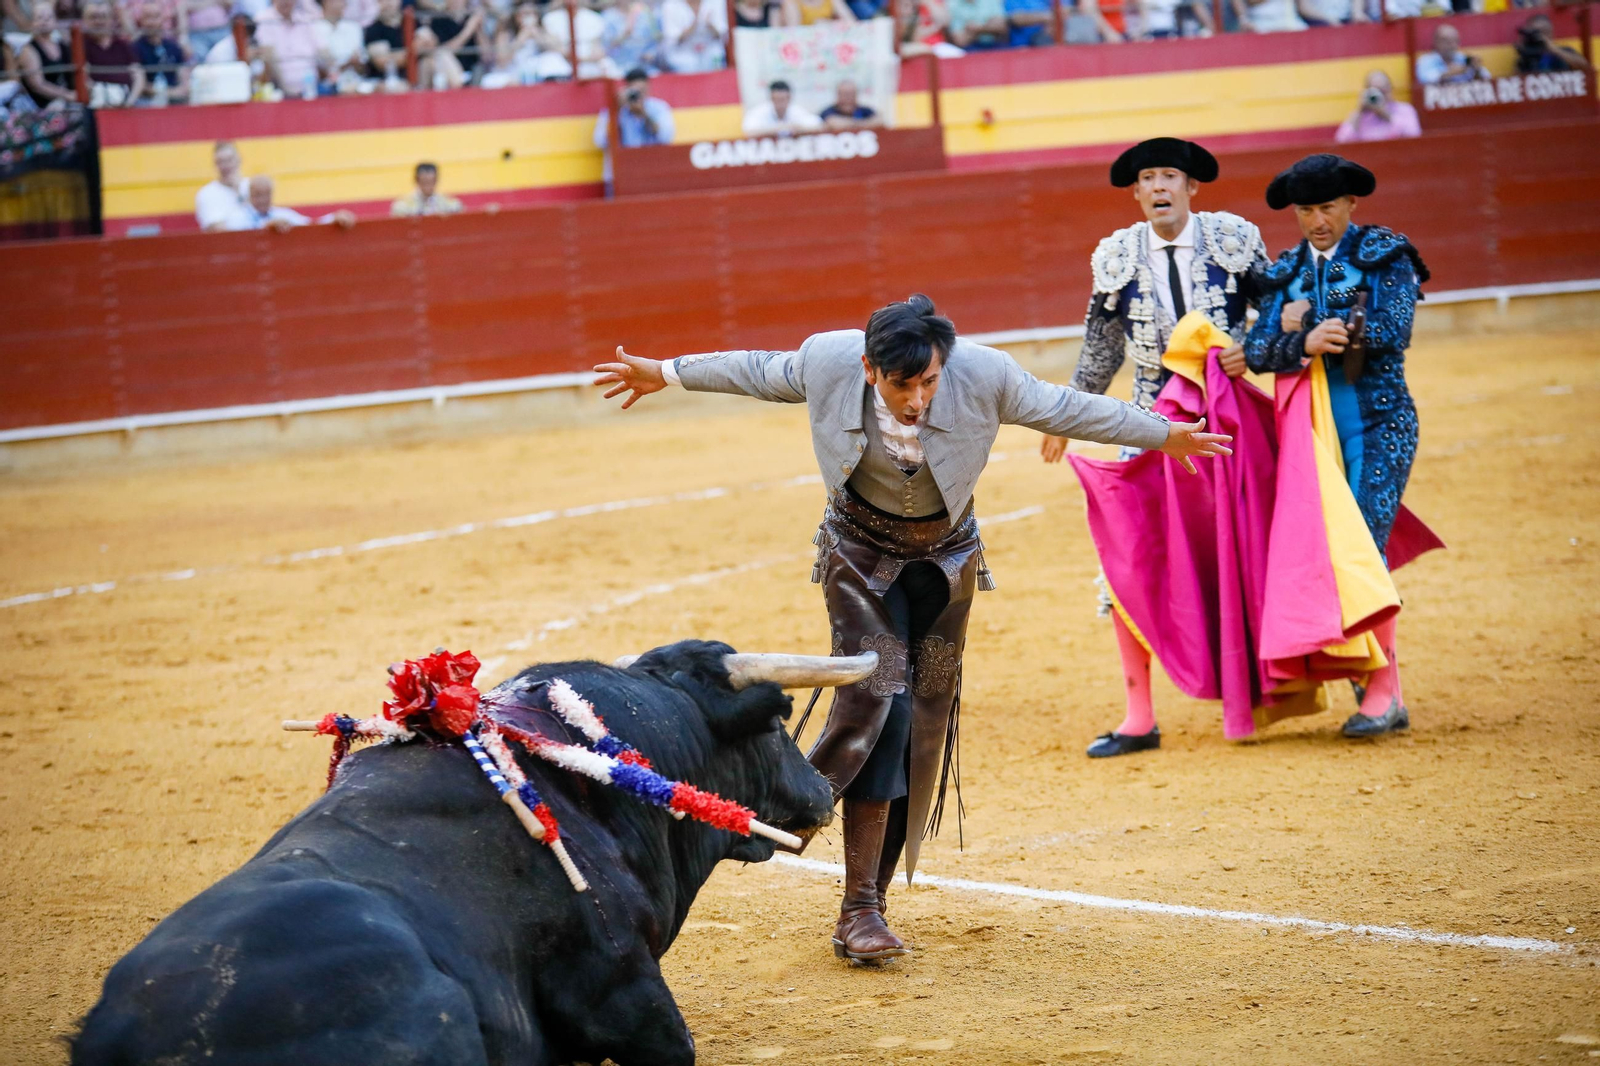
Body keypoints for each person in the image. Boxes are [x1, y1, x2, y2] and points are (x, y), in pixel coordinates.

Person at [592, 297, 1230, 962]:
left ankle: (856, 892)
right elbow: (754, 368)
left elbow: (1067, 408)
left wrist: (1164, 432)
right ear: (871, 370)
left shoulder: (985, 374)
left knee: (925, 719)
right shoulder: (827, 362)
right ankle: (833, 862)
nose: (920, 397)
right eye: (904, 385)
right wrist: (664, 371)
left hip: (949, 566)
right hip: (858, 557)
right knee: (878, 697)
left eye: (930, 381)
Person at [1041, 137, 1269, 758]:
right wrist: (1065, 414)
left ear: (1193, 188)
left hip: (1228, 419)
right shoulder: (1116, 256)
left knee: (1258, 545)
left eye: (1171, 175)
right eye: (1149, 178)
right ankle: (1139, 714)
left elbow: (1271, 312)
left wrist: (1256, 349)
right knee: (1128, 557)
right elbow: (1101, 347)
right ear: (1137, 193)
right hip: (1146, 422)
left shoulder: (1233, 240)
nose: (1160, 186)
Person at [1245, 154, 1430, 738]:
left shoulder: (1384, 255)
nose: (1317, 220)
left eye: (1327, 207)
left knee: (1361, 552)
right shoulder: (1287, 270)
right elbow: (1256, 350)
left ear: (1351, 205)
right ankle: (1369, 677)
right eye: (1306, 210)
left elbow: (1395, 327)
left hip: (1382, 425)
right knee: (1329, 554)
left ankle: (1383, 692)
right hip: (1312, 435)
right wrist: (1301, 339)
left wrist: (1313, 321)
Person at [593, 66, 674, 188]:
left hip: (652, 174)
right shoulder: (613, 110)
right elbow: (599, 141)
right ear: (626, 89)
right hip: (620, 175)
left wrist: (644, 115)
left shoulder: (659, 108)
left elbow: (666, 137)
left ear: (648, 87)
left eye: (641, 90)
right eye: (634, 91)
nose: (638, 95)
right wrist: (616, 110)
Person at [224, 174, 358, 229]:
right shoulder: (237, 218)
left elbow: (310, 226)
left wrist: (334, 218)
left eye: (266, 194)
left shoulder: (282, 215)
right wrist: (266, 228)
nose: (263, 200)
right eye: (258, 195)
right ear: (250, 195)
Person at [80, 0, 147, 106]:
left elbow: (139, 76)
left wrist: (129, 102)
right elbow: (83, 79)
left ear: (112, 19)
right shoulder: (80, 46)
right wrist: (105, 96)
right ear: (84, 20)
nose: (99, 21)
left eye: (103, 16)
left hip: (128, 102)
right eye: (93, 17)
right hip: (96, 102)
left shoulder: (123, 44)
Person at [17, 0, 77, 108]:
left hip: (68, 99)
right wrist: (67, 95)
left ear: (55, 21)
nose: (44, 21)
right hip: (42, 105)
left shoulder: (62, 45)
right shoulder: (28, 50)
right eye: (39, 18)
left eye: (49, 18)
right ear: (32, 23)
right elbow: (38, 85)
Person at [253, 0, 321, 95]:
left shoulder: (305, 18)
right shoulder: (265, 19)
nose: (285, 2)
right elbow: (269, 56)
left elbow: (321, 50)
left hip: (312, 85)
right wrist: (286, 89)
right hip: (281, 89)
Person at [1334, 70, 1419, 144]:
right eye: (1376, 91)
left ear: (1391, 89)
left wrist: (1385, 114)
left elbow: (1414, 136)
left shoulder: (1405, 109)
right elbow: (1342, 141)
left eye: (1383, 91)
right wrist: (1359, 111)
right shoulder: (1359, 115)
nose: (1380, 95)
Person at [132, 0, 189, 102]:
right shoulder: (134, 48)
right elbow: (141, 86)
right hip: (147, 101)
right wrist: (167, 93)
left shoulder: (173, 46)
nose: (152, 22)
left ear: (163, 18)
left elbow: (184, 80)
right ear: (140, 20)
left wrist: (177, 91)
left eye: (156, 16)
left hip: (174, 101)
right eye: (148, 17)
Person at [313, 0, 368, 90]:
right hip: (327, 88)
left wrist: (355, 63)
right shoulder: (313, 28)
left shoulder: (354, 27)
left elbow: (362, 67)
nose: (343, 4)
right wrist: (346, 64)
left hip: (357, 84)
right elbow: (322, 69)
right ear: (325, 2)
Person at [1513, 14, 1593, 75]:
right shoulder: (1528, 56)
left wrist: (1553, 49)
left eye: (1544, 31)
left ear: (1551, 33)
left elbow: (1585, 67)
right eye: (1536, 32)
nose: (1540, 35)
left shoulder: (1565, 51)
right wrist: (1523, 51)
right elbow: (1518, 81)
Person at [659, 0, 725, 74]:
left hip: (710, 52)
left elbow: (723, 34)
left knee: (715, 58)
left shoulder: (717, 2)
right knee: (689, 67)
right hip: (683, 55)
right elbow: (671, 39)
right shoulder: (670, 5)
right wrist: (691, 28)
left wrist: (710, 26)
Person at [196, 139, 247, 231]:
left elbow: (263, 218)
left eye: (229, 160)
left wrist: (239, 192)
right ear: (215, 165)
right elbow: (216, 229)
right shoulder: (207, 194)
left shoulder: (253, 186)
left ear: (239, 160)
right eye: (221, 161)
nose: (226, 166)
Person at [1415, 23, 1488, 86]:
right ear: (1436, 42)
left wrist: (1477, 70)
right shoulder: (1426, 61)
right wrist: (1450, 73)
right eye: (1446, 41)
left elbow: (1487, 78)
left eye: (1455, 41)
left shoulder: (1464, 58)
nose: (1451, 45)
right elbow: (1425, 80)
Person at [742, 78, 821, 136]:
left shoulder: (796, 110)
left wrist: (798, 129)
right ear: (771, 99)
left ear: (789, 98)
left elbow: (818, 126)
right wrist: (778, 129)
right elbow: (749, 131)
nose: (780, 104)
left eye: (782, 99)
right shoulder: (760, 111)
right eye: (776, 100)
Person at [391, 160, 463, 216]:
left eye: (431, 182)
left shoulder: (449, 204)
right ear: (416, 180)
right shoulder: (403, 206)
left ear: (436, 180)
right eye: (424, 182)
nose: (428, 187)